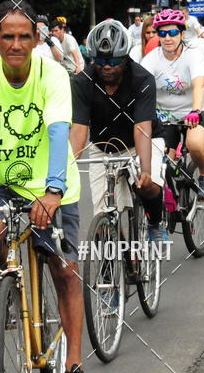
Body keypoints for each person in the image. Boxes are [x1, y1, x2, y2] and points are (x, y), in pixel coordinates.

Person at [0, 0, 88, 373]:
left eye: (23, 36)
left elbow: (58, 132)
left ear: (36, 39)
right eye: (7, 36)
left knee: (63, 270)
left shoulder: (52, 74)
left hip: (52, 184)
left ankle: (75, 368)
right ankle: (10, 285)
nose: (15, 44)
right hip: (1, 182)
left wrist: (52, 192)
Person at [70, 20, 167, 242]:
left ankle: (154, 222)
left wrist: (145, 170)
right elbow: (78, 130)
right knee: (104, 215)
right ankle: (118, 255)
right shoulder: (82, 83)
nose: (106, 66)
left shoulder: (142, 79)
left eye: (113, 60)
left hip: (140, 141)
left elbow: (142, 129)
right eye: (100, 60)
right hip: (102, 147)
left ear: (125, 58)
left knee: (147, 186)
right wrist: (65, 169)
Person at [141, 9, 204, 197]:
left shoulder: (192, 54)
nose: (168, 38)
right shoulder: (151, 58)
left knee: (195, 143)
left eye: (172, 33)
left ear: (182, 34)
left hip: (195, 111)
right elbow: (139, 88)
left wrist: (196, 110)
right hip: (165, 116)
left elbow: (199, 83)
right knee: (161, 164)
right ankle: (171, 207)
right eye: (162, 33)